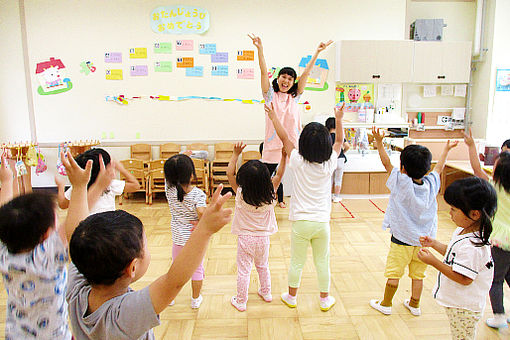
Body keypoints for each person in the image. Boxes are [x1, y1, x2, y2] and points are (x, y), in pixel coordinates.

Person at [66, 183, 232, 339]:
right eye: (145, 244)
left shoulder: (76, 290)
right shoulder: (122, 317)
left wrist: (79, 185)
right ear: (132, 267)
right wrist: (205, 229)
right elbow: (173, 282)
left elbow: (75, 236)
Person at [0, 151, 111, 339]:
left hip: (15, 334)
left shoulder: (4, 251)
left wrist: (6, 182)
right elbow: (76, 226)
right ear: (46, 235)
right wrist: (89, 186)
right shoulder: (47, 257)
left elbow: (4, 216)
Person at [369, 127, 458, 316]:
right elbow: (439, 168)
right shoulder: (432, 183)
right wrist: (446, 150)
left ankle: (386, 303)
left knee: (394, 273)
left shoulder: (401, 183)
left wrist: (379, 142)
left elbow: (386, 163)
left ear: (402, 168)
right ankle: (415, 305)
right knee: (418, 275)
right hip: (424, 241)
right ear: (427, 168)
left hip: (401, 240)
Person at [265, 102, 344, 311]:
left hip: (301, 223)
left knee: (296, 262)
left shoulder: (298, 161)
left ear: (304, 144)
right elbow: (339, 142)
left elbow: (284, 138)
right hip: (321, 223)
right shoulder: (329, 164)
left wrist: (274, 117)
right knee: (322, 262)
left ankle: (291, 297)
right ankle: (325, 299)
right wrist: (339, 118)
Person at [249, 33, 332, 208]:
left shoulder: (294, 97)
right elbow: (263, 71)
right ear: (278, 78)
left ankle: (303, 203)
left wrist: (317, 53)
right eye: (283, 77)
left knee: (301, 173)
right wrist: (260, 49)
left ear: (293, 82)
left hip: (292, 144)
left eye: (290, 78)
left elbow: (307, 73)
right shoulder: (270, 95)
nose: (286, 80)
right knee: (268, 177)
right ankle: (261, 205)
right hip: (272, 145)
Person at [418, 177, 497, 340]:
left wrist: (433, 262)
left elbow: (464, 277)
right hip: (460, 303)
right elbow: (456, 256)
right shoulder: (465, 231)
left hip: (465, 307)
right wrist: (434, 244)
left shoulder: (473, 246)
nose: (450, 213)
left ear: (474, 214)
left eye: (454, 209)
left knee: (462, 337)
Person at [227, 142, 286, 311]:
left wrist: (235, 154)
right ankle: (266, 293)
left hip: (245, 239)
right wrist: (283, 156)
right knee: (263, 266)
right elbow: (280, 173)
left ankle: (241, 301)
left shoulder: (240, 193)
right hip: (263, 239)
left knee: (244, 271)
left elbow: (229, 173)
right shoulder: (270, 194)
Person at [463, 129, 510, 328]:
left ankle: (499, 315)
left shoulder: (494, 187)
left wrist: (472, 146)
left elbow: (476, 170)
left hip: (501, 240)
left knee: (496, 278)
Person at [164, 154, 207, 308]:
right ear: (191, 174)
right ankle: (195, 299)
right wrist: (201, 222)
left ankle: (169, 298)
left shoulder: (169, 189)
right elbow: (202, 213)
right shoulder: (197, 194)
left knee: (176, 268)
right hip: (194, 240)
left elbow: (170, 174)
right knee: (197, 269)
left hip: (178, 239)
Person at [55, 148, 139, 214]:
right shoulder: (110, 185)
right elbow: (135, 186)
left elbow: (62, 204)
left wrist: (61, 186)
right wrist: (121, 168)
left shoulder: (79, 189)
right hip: (108, 230)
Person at [325, 117, 350, 203]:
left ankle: (328, 196)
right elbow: (347, 146)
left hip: (331, 159)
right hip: (340, 159)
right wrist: (343, 152)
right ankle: (336, 197)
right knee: (338, 179)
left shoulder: (326, 137)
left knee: (330, 178)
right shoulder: (340, 136)